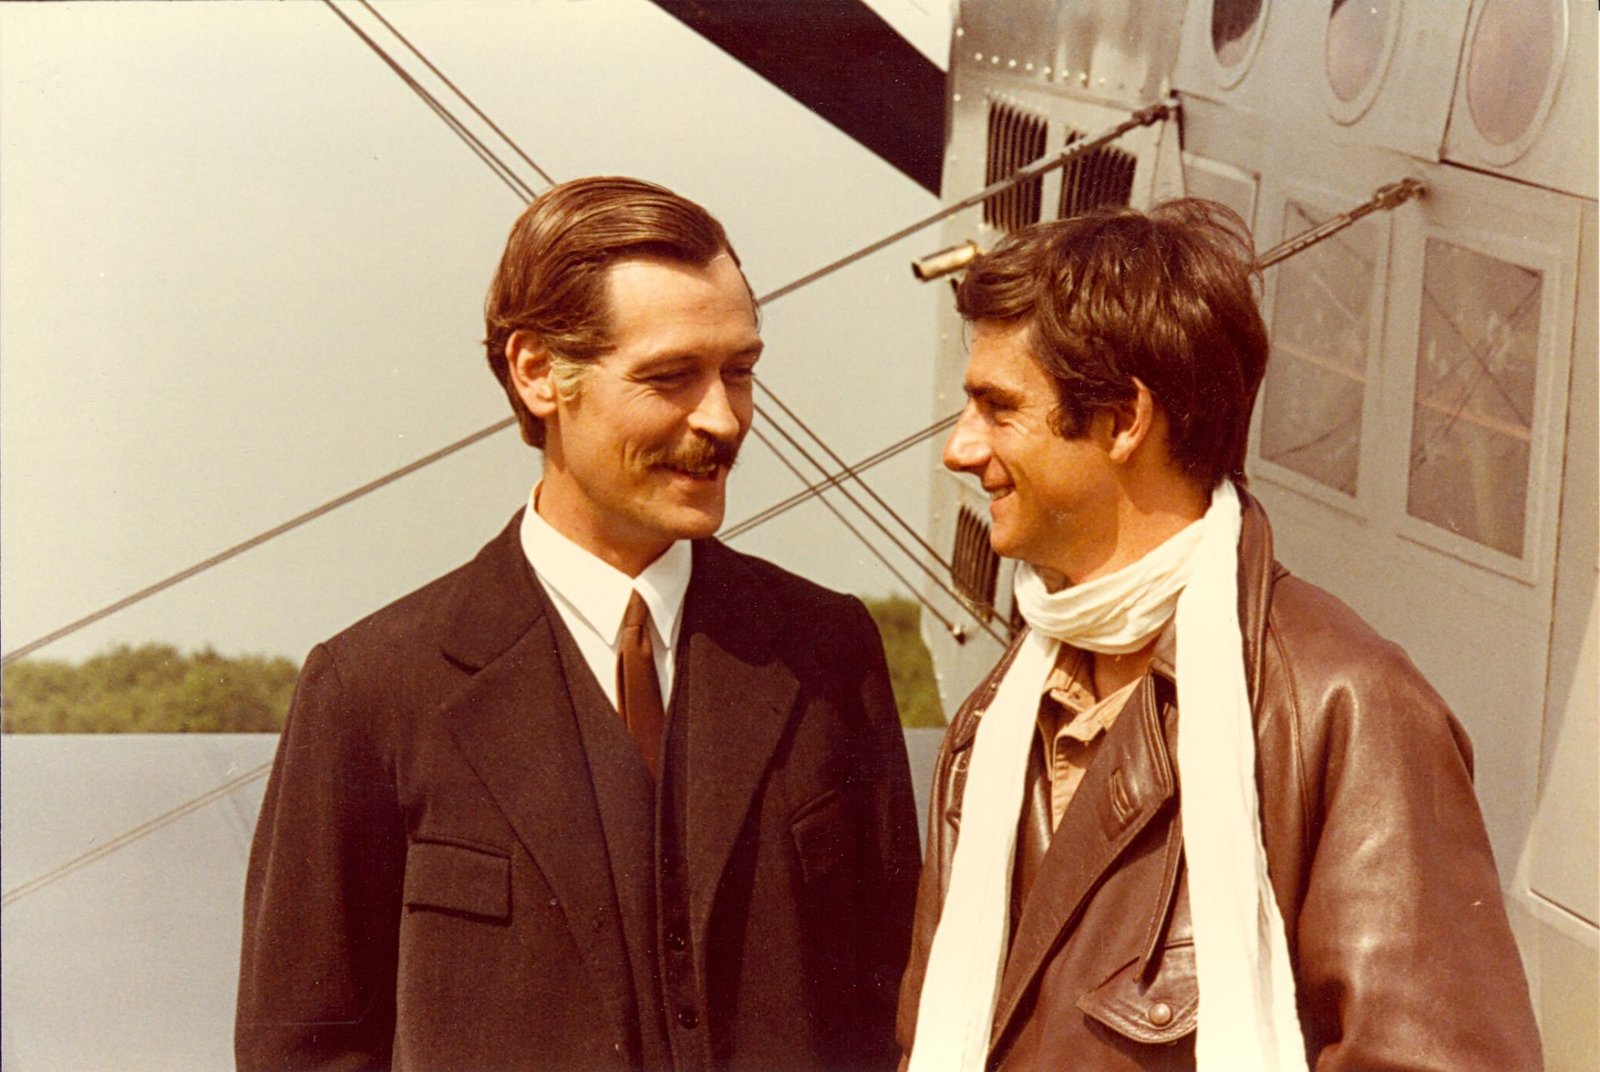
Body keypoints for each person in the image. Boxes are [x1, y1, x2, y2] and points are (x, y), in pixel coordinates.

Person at [237, 176, 921, 1071]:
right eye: (670, 377)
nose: (723, 419)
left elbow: (899, 1015)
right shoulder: (372, 689)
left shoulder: (829, 651)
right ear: (537, 373)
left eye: (740, 371)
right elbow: (304, 1052)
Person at [895, 200, 1542, 1071]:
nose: (959, 448)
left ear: (1123, 420)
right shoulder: (996, 723)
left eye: (997, 408)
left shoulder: (1346, 710)